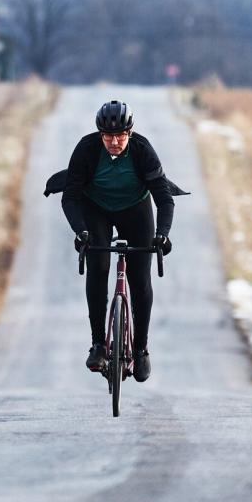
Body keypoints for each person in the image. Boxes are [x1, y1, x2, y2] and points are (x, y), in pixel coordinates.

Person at [60, 100, 176, 382]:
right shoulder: (86, 150)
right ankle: (99, 344)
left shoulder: (143, 151)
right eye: (108, 136)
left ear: (130, 132)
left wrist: (162, 233)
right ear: (100, 135)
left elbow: (164, 198)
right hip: (96, 208)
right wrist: (80, 231)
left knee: (139, 279)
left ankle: (141, 350)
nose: (114, 141)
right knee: (98, 267)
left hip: (136, 210)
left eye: (121, 135)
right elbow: (70, 198)